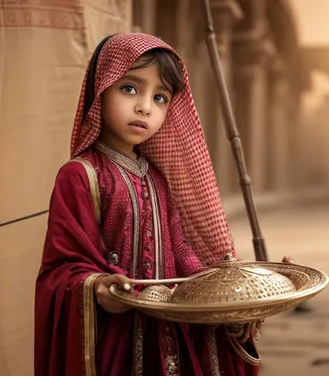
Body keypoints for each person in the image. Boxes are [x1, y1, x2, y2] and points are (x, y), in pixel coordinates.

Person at [34, 33, 275, 376]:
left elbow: (180, 251)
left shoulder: (158, 179)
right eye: (130, 89)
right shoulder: (81, 175)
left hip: (168, 336)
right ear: (100, 90)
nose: (145, 106)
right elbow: (61, 270)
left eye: (159, 97)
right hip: (113, 339)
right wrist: (97, 287)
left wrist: (229, 289)